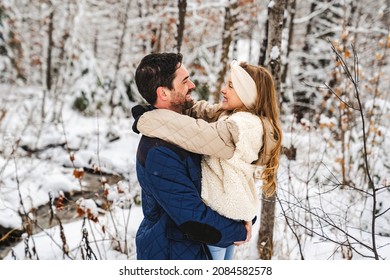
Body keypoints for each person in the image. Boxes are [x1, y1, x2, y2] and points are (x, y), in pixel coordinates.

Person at [133, 59, 282, 260]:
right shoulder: (159, 150)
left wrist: (241, 221)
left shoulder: (210, 129)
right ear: (164, 93)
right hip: (174, 252)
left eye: (231, 85)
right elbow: (192, 218)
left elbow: (205, 126)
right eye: (185, 81)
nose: (193, 85)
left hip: (202, 244)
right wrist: (238, 228)